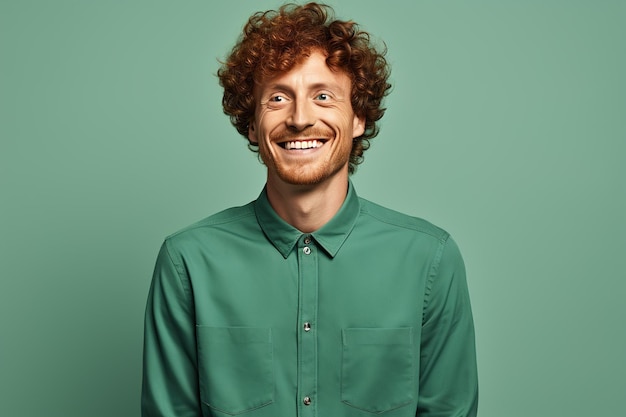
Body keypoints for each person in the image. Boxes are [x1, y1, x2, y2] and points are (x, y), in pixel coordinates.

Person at [141, 3, 478, 417]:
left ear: (358, 117)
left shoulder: (429, 259)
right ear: (251, 123)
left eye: (323, 96)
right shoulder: (188, 261)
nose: (300, 118)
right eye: (278, 97)